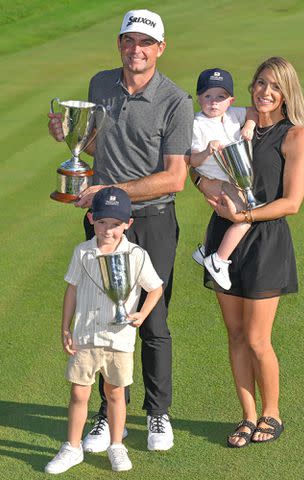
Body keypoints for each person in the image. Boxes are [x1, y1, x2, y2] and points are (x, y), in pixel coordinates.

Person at [48, 9, 193, 452]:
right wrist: (70, 137)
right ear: (119, 44)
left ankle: (158, 414)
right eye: (129, 41)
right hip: (104, 221)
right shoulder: (100, 85)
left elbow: (174, 178)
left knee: (151, 319)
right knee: (99, 318)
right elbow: (98, 142)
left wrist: (114, 189)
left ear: (160, 48)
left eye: (146, 43)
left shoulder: (176, 101)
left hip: (151, 221)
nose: (137, 50)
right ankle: (108, 417)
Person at [191, 57, 304, 448]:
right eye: (260, 83)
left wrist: (244, 213)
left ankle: (271, 412)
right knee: (236, 334)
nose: (265, 92)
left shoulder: (297, 136)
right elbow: (199, 164)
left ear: (286, 92)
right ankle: (246, 415)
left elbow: (292, 202)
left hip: (264, 241)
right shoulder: (230, 119)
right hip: (224, 233)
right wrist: (200, 183)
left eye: (275, 86)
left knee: (259, 338)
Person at [44, 187, 163, 474]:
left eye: (115, 225)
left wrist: (142, 314)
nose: (108, 231)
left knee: (115, 394)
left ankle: (116, 446)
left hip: (119, 339)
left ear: (128, 224)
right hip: (85, 337)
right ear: (90, 219)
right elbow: (71, 290)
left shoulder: (136, 255)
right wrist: (65, 328)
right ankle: (72, 448)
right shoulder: (82, 252)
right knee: (79, 394)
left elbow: (156, 287)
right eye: (101, 223)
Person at [190, 67, 257, 290]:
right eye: (208, 96)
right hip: (218, 181)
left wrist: (249, 125)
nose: (214, 102)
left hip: (235, 177)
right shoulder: (197, 124)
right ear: (199, 98)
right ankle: (217, 259)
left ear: (230, 100)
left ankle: (206, 250)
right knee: (245, 216)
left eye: (221, 97)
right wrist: (207, 151)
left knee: (241, 213)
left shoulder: (232, 114)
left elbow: (252, 112)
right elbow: (192, 161)